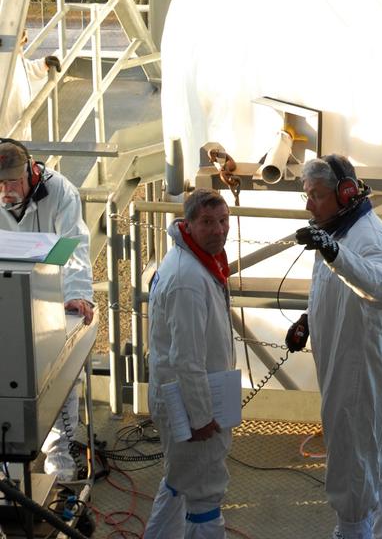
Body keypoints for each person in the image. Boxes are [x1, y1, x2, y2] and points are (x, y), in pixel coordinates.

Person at [287, 154, 382, 539]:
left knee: (351, 465)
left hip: (364, 375)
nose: (308, 205)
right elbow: (332, 288)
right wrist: (309, 320)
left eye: (315, 196)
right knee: (378, 455)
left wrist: (333, 251)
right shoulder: (334, 229)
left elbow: (381, 287)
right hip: (354, 370)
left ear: (344, 194)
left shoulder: (365, 236)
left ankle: (353, 530)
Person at [0, 138, 94, 480]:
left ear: (30, 173)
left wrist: (78, 295)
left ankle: (61, 467)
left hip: (53, 297)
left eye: (12, 182)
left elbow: (75, 246)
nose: (6, 190)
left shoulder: (60, 192)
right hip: (5, 299)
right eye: (0, 184)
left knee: (62, 381)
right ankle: (10, 473)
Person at [144, 189, 235, 539]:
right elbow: (187, 359)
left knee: (180, 481)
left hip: (187, 398)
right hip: (193, 405)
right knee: (205, 492)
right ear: (189, 224)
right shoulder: (188, 280)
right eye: (208, 222)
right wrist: (200, 417)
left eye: (224, 220)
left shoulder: (194, 264)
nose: (219, 230)